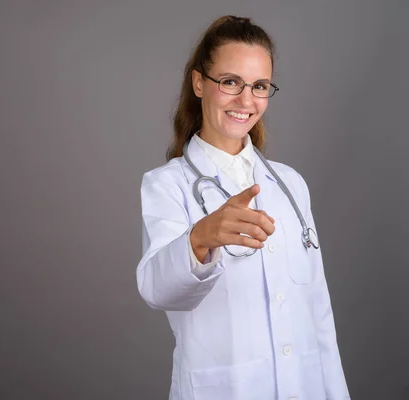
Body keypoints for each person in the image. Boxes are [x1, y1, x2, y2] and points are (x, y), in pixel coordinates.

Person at [136, 16, 350, 400]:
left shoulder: (289, 185)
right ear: (199, 83)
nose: (246, 100)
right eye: (230, 82)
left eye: (260, 86)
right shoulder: (168, 184)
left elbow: (318, 311)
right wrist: (200, 237)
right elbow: (156, 288)